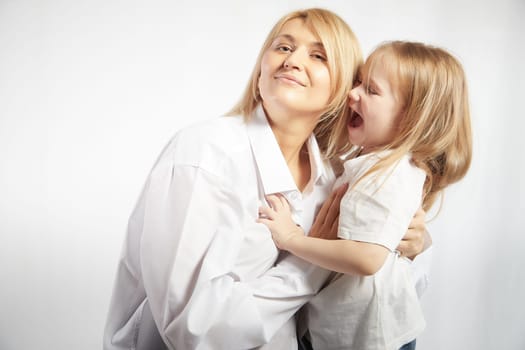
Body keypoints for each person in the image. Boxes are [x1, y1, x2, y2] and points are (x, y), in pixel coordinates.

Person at [103, 9, 430, 350]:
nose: (292, 61)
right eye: (283, 48)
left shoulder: (337, 179)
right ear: (261, 68)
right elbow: (193, 330)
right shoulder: (204, 154)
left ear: (345, 90)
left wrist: (406, 242)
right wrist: (309, 265)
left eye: (318, 55)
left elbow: (369, 296)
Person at [258, 40, 472, 350]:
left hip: (368, 340)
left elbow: (368, 258)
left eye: (371, 90)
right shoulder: (373, 163)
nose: (352, 93)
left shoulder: (389, 172)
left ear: (411, 118)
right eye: (358, 81)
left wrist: (292, 239)